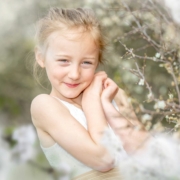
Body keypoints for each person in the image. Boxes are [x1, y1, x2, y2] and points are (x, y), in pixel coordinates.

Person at [30, 7, 149, 179]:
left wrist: (107, 105)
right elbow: (104, 160)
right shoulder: (45, 106)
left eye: (86, 62)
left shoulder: (113, 95)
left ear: (97, 61)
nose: (75, 74)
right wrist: (92, 100)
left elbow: (149, 154)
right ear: (41, 57)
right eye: (64, 60)